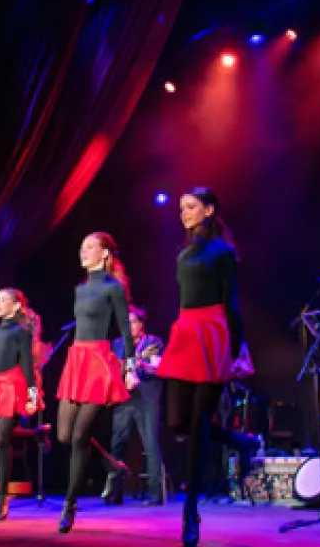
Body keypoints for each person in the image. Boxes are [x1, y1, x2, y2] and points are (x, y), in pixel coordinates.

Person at [155, 187, 251, 547]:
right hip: (186, 331)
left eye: (191, 207)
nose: (184, 213)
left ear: (209, 210)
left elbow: (232, 304)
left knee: (198, 428)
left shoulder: (224, 253)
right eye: (181, 208)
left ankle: (190, 511)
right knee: (175, 421)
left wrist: (240, 348)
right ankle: (236, 439)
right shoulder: (182, 255)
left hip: (213, 332)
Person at [55, 232, 134, 533]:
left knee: (79, 436)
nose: (83, 251)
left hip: (99, 362)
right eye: (81, 247)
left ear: (104, 254)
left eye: (90, 247)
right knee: (64, 435)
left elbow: (125, 328)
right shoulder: (80, 289)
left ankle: (70, 504)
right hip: (77, 360)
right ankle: (110, 463)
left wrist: (129, 367)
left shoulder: (113, 287)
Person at [0, 288, 41, 521]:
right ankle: (34, 434)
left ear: (16, 306)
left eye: (3, 300)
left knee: (2, 440)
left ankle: (2, 495)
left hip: (11, 385)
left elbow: (27, 364)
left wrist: (32, 394)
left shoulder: (20, 331)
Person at [101, 306, 166, 505]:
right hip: (124, 398)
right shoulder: (117, 344)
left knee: (150, 443)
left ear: (141, 324)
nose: (129, 326)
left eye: (133, 322)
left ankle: (155, 493)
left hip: (146, 398)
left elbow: (157, 368)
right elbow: (110, 369)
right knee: (117, 444)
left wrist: (141, 364)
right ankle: (115, 492)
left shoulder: (153, 342)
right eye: (126, 323)